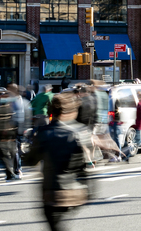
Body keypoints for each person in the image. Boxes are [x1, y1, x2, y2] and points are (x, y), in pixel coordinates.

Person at [25, 92, 91, 231]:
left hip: (53, 192)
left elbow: (30, 160)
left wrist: (27, 149)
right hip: (76, 191)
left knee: (54, 223)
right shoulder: (81, 131)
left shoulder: (45, 133)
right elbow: (86, 164)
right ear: (72, 111)